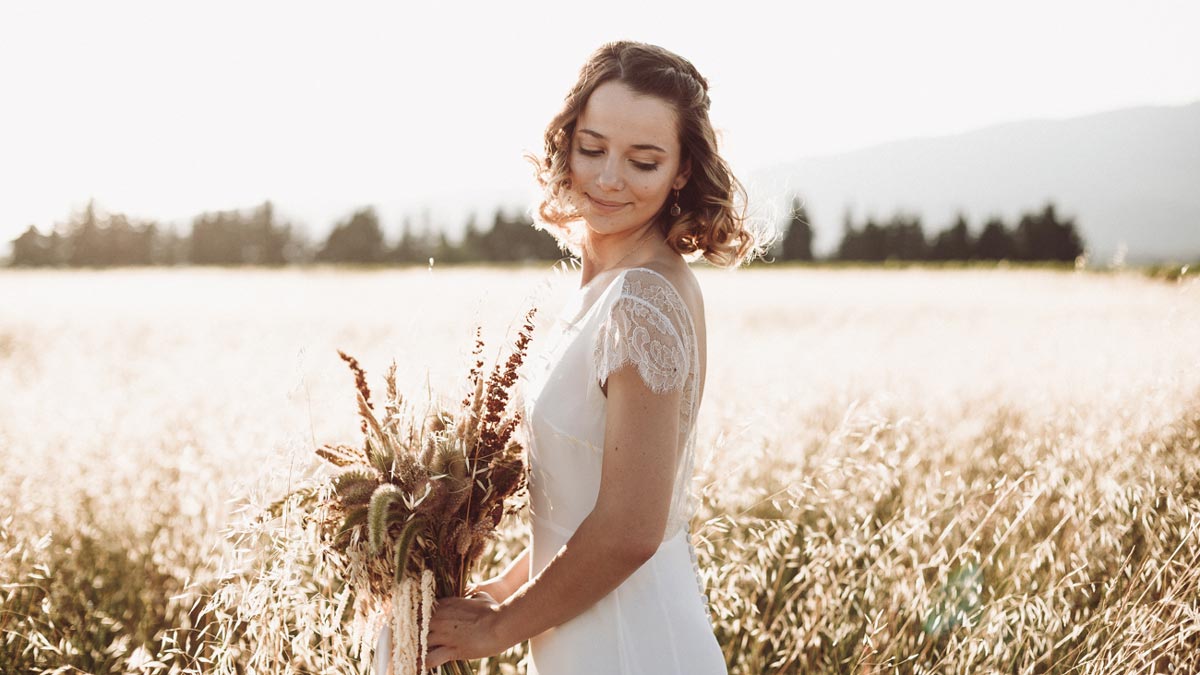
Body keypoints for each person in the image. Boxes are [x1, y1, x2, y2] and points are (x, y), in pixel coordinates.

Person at [423, 40, 766, 674]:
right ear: (566, 144)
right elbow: (583, 509)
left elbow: (631, 529)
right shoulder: (608, 287)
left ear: (682, 171)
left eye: (643, 161)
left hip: (635, 646)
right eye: (592, 148)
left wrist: (497, 628)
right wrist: (496, 592)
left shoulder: (641, 301)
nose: (609, 178)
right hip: (580, 639)